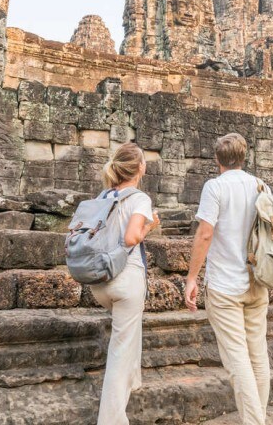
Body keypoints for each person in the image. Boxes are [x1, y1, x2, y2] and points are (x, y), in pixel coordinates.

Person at [184, 133, 270, 425]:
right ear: (244, 157)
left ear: (217, 159)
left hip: (224, 285)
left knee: (238, 361)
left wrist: (192, 277)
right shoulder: (260, 185)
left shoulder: (215, 187)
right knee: (258, 356)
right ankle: (259, 417)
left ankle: (255, 422)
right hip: (257, 280)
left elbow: (205, 233)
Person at [91, 142, 160, 425]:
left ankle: (135, 379)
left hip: (99, 282)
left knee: (130, 332)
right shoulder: (139, 198)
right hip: (126, 280)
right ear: (140, 168)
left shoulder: (103, 196)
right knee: (119, 355)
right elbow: (132, 237)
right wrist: (149, 226)